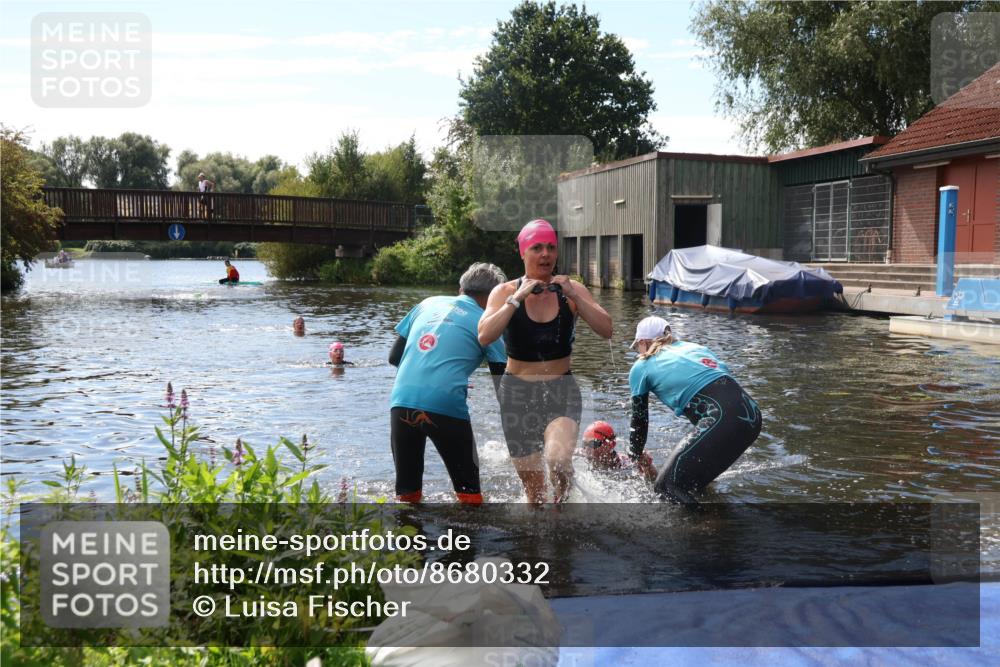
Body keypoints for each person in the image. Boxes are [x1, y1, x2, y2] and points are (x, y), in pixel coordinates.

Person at [478, 219, 613, 504]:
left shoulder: (571, 291)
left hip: (560, 391)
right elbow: (484, 336)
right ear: (523, 252)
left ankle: (562, 519)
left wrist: (575, 294)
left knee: (558, 461)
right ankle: (537, 542)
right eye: (537, 247)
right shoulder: (503, 292)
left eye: (551, 247)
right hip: (516, 395)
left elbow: (606, 329)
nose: (545, 254)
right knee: (535, 493)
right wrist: (516, 299)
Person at [389, 262, 508, 504]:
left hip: (401, 400)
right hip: (445, 404)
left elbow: (394, 357)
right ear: (494, 295)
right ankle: (466, 540)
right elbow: (503, 388)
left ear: (461, 288)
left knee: (407, 493)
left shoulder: (427, 303)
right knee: (468, 493)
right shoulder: (489, 322)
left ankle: (409, 537)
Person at [627, 316, 762, 505]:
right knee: (692, 485)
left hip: (723, 417)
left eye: (637, 347)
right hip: (752, 416)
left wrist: (635, 455)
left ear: (643, 342)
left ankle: (705, 530)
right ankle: (722, 524)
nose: (638, 352)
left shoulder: (642, 366)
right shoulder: (695, 348)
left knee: (665, 488)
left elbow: (639, 420)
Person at [580, 421, 656, 482]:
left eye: (593, 444)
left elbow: (652, 480)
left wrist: (647, 466)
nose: (586, 449)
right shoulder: (580, 455)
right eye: (584, 444)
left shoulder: (626, 464)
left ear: (610, 444)